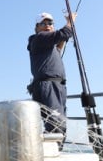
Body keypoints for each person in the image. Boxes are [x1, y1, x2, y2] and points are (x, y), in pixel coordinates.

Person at [27, 12, 74, 150]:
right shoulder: (39, 38)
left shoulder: (48, 46)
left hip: (56, 86)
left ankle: (53, 152)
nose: (47, 26)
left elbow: (59, 47)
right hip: (49, 86)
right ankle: (49, 154)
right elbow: (64, 33)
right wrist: (70, 21)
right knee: (56, 125)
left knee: (59, 124)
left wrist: (63, 37)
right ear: (37, 28)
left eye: (50, 23)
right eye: (43, 23)